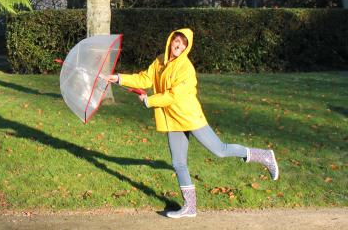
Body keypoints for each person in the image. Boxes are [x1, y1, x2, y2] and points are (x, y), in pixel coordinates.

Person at [105, 28, 278, 218]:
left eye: (183, 43)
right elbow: (145, 78)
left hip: (189, 117)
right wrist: (120, 78)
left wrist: (150, 101)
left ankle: (264, 156)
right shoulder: (161, 60)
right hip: (173, 119)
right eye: (176, 41)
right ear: (170, 40)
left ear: (187, 47)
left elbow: (173, 95)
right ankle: (190, 207)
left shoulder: (185, 68)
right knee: (179, 163)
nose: (178, 45)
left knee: (220, 150)